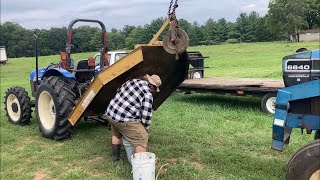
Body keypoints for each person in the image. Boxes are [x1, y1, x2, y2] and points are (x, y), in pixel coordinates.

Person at [104, 74, 162, 162]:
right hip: (123, 119)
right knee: (141, 138)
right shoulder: (147, 93)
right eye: (154, 89)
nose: (154, 92)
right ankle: (139, 167)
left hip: (111, 113)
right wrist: (145, 128)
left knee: (117, 134)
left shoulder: (131, 81)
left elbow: (119, 92)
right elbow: (146, 116)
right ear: (152, 86)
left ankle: (115, 159)